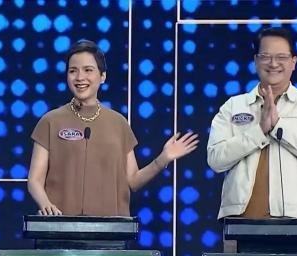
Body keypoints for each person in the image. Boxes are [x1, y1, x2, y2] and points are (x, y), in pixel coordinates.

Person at [27, 39, 199, 216]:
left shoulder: (118, 123)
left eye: (88, 70)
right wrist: (46, 205)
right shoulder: (50, 121)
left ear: (102, 76)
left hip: (110, 227)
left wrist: (163, 159)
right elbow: (34, 180)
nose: (79, 77)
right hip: (60, 225)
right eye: (73, 71)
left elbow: (133, 181)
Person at [207, 27, 297, 223]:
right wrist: (258, 132)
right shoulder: (234, 106)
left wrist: (278, 127)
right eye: (265, 56)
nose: (273, 63)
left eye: (281, 57)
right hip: (239, 221)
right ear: (256, 61)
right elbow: (215, 159)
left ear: (293, 62)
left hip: (294, 221)